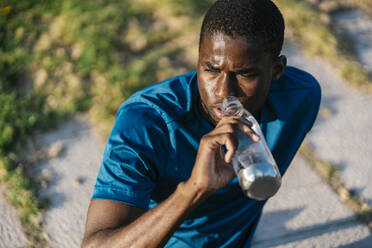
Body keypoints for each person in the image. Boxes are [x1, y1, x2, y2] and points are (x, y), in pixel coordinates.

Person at [82, 0, 321, 247]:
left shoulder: (299, 99)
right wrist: (195, 189)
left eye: (244, 74)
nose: (223, 92)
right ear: (198, 59)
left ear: (277, 70)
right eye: (211, 69)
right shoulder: (145, 124)